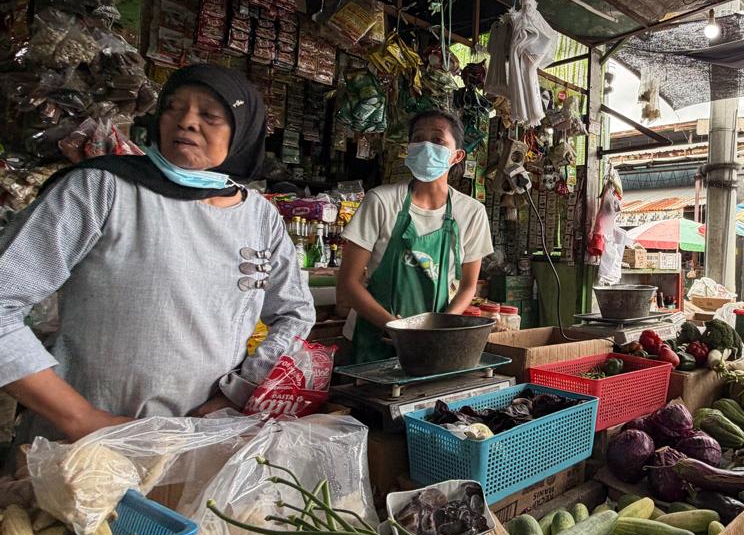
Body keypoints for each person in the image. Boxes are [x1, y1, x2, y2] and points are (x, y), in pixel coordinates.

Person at [0, 64, 315, 440]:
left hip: (197, 438)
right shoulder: (101, 189)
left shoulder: (259, 215)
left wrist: (240, 392)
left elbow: (294, 312)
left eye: (210, 115)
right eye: (173, 108)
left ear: (243, 132)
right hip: (83, 446)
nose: (186, 123)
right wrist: (78, 417)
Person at [338, 110, 494, 364]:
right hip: (372, 337)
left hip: (433, 343)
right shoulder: (380, 201)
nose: (426, 146)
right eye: (418, 139)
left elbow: (468, 286)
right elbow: (349, 282)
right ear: (408, 149)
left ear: (457, 156)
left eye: (438, 140)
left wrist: (440, 327)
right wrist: (394, 327)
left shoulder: (471, 212)